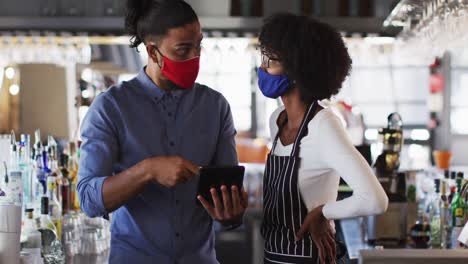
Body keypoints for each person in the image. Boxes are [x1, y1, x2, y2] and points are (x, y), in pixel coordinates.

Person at [77, 1, 247, 263]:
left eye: (198, 46)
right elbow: (88, 198)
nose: (195, 57)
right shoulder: (111, 107)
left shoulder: (215, 106)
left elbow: (227, 198)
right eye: (183, 49)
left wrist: (231, 215)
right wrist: (147, 170)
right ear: (153, 52)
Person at [257, 13, 389, 264]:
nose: (262, 68)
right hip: (273, 257)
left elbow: (374, 198)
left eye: (270, 60)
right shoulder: (277, 121)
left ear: (297, 69)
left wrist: (323, 212)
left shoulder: (323, 125)